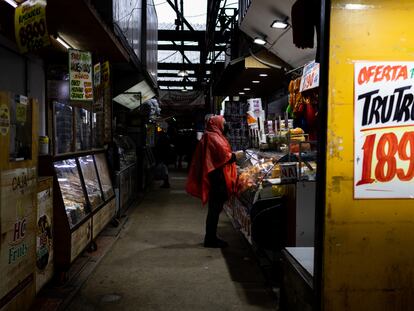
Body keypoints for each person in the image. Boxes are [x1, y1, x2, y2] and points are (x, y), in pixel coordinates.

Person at [186, 115, 243, 248]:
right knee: (214, 210)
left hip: (215, 177)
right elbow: (224, 157)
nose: (226, 125)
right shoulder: (213, 137)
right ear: (217, 124)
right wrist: (236, 156)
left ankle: (211, 237)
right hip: (217, 179)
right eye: (223, 123)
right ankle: (210, 239)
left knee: (214, 210)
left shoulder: (212, 135)